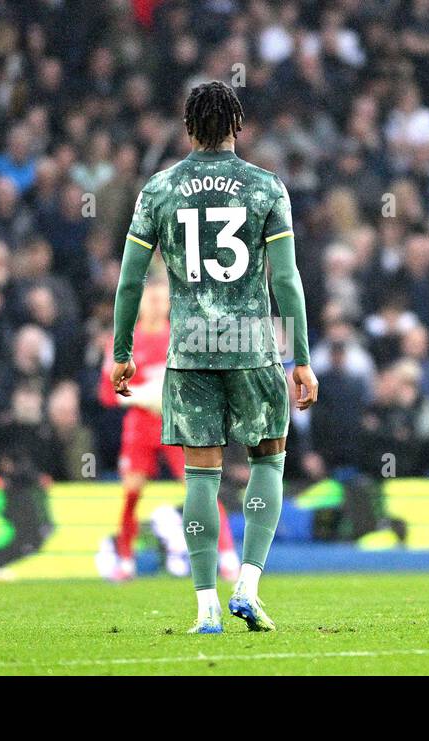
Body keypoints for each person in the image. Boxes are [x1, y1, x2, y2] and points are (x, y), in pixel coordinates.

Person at [110, 81, 316, 634]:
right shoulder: (266, 187)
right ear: (236, 124)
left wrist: (122, 350)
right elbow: (287, 279)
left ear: (187, 127)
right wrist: (300, 356)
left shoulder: (159, 188)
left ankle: (205, 609)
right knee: (268, 462)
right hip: (251, 345)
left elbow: (131, 280)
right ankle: (247, 584)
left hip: (191, 351)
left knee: (200, 479)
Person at [99, 279, 238, 582]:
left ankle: (227, 556)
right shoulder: (123, 341)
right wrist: (143, 395)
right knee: (132, 493)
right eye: (150, 299)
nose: (156, 305)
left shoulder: (182, 338)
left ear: (169, 303)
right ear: (140, 303)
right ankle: (125, 561)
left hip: (177, 422)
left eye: (162, 300)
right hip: (139, 426)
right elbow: (107, 393)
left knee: (200, 487)